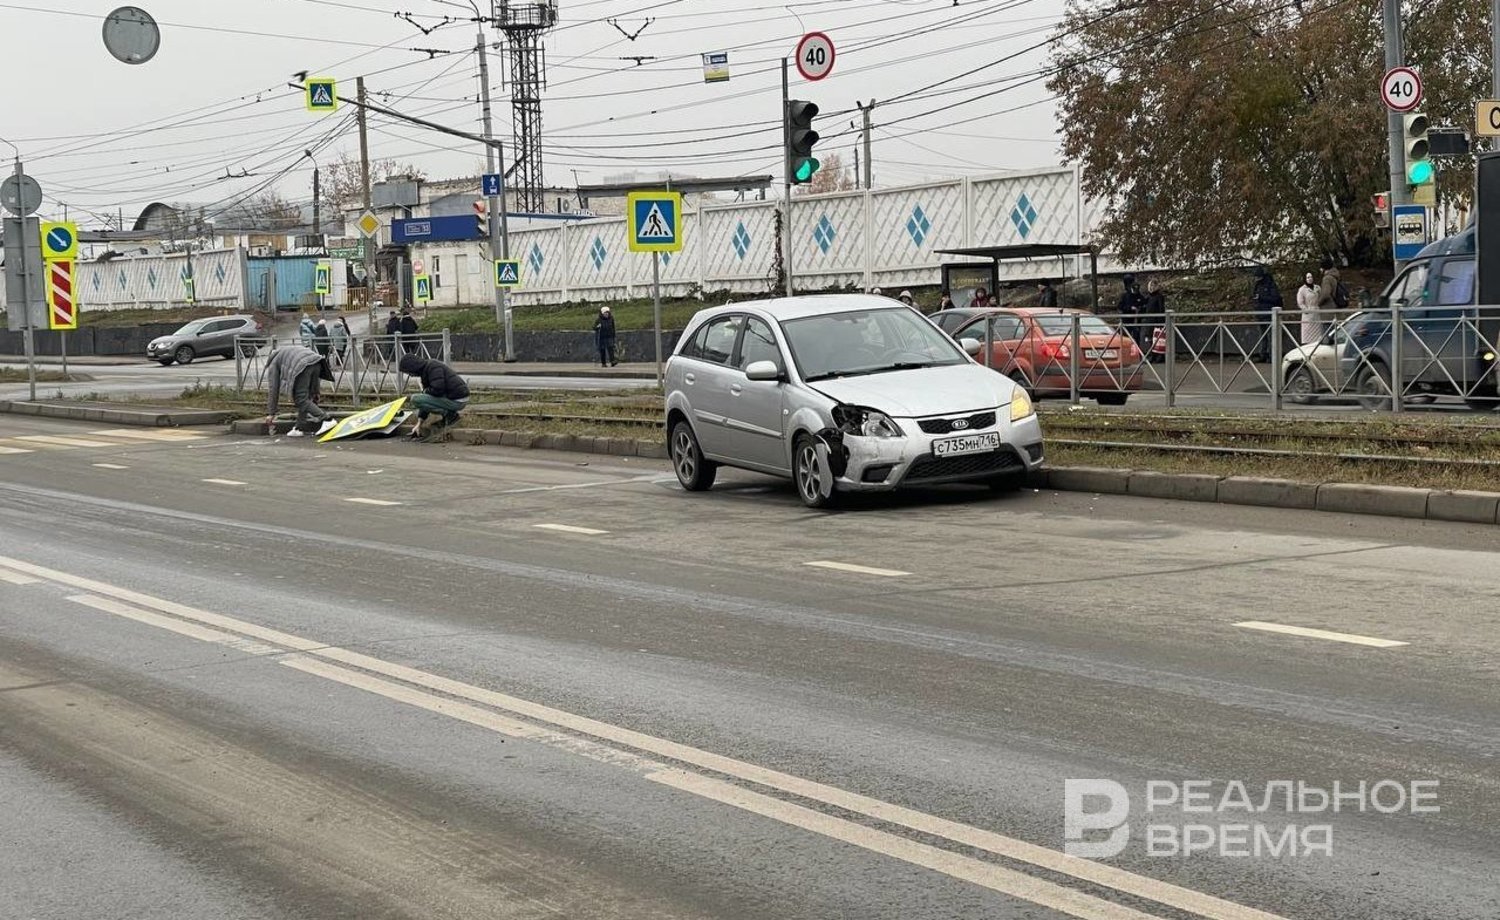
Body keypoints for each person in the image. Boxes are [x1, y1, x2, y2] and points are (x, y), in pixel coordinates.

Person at [264, 344, 334, 438]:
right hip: (317, 362)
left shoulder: (274, 362)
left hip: (302, 366)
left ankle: (327, 419)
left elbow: (273, 388)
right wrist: (315, 392)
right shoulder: (286, 350)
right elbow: (310, 361)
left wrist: (271, 413)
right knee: (306, 399)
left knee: (301, 399)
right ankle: (299, 428)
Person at [398, 353, 469, 438]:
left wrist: (424, 391)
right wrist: (419, 424)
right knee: (420, 399)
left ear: (413, 367)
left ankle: (451, 416)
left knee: (415, 399)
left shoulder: (433, 367)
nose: (410, 375)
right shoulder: (426, 371)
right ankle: (449, 417)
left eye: (408, 372)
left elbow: (438, 390)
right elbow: (427, 400)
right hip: (453, 398)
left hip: (458, 399)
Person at [1250, 266, 1283, 361]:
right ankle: (1263, 354)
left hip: (1268, 313)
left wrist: (1261, 298)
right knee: (1262, 336)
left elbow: (1275, 298)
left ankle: (1272, 355)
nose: (1255, 279)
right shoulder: (1257, 285)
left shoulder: (1270, 285)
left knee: (1270, 335)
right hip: (1260, 313)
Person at [1117, 275, 1146, 349]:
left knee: (1136, 338)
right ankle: (1125, 352)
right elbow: (1120, 306)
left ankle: (1137, 353)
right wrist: (1129, 308)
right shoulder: (1125, 296)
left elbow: (1144, 306)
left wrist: (1140, 309)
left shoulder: (1140, 296)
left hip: (1136, 320)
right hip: (1127, 320)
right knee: (1125, 338)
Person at [1297, 271, 1323, 345]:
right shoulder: (1302, 289)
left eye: (1311, 277)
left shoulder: (1317, 287)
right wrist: (1306, 310)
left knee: (1318, 335)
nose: (1310, 279)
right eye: (1308, 277)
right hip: (1308, 315)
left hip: (1317, 313)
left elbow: (1321, 297)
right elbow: (1300, 303)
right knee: (1308, 336)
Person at [1141, 278, 1165, 350]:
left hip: (1156, 320)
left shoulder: (1159, 296)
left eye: (1153, 286)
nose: (1151, 288)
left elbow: (1161, 309)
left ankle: (1158, 355)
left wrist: (1161, 321)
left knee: (1157, 338)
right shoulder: (1148, 297)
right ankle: (1151, 353)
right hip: (1149, 320)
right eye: (1150, 286)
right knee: (1149, 337)